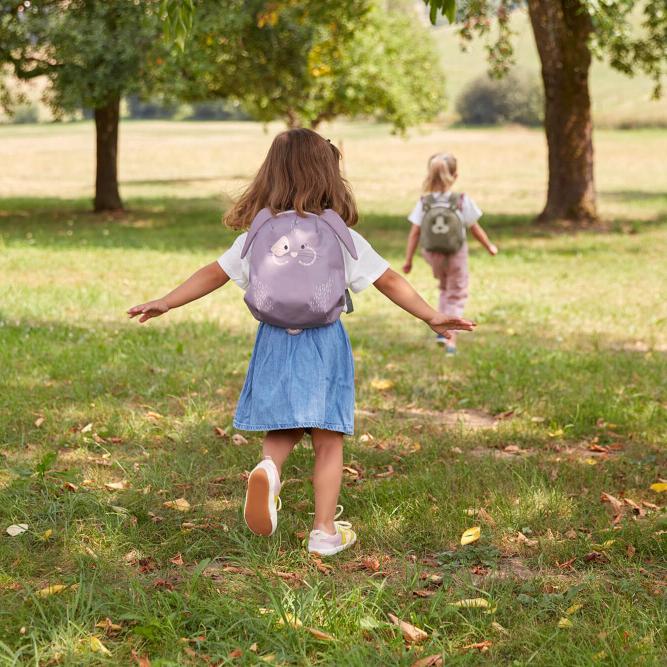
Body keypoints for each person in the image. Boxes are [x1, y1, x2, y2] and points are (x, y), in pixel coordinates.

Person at [128, 129, 475, 557]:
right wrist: (432, 316)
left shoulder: (259, 232)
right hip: (324, 341)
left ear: (270, 174)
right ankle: (324, 532)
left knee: (283, 426)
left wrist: (167, 301)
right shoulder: (339, 234)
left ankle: (270, 469)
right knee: (328, 439)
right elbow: (388, 280)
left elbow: (214, 272)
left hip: (274, 339)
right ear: (329, 174)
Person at [403, 152, 497, 354]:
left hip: (432, 255)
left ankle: (440, 326)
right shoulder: (461, 200)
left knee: (445, 288)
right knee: (457, 293)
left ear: (430, 175)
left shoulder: (424, 202)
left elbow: (415, 233)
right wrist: (489, 246)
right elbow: (474, 228)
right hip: (456, 254)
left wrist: (408, 260)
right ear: (455, 176)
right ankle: (450, 340)